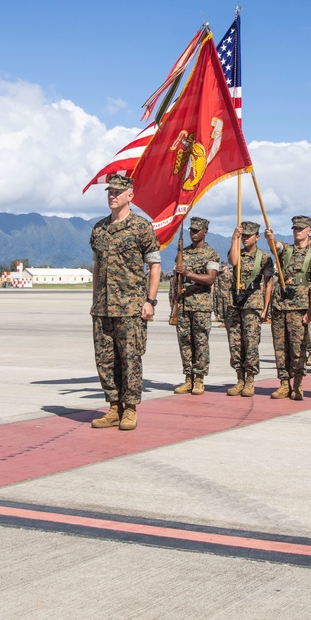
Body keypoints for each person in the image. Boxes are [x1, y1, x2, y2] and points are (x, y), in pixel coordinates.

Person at [89, 174, 161, 431]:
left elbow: (154, 265)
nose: (112, 195)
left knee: (130, 359)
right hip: (103, 307)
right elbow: (97, 266)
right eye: (110, 191)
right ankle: (113, 406)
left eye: (118, 192)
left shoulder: (141, 227)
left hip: (130, 306)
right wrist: (95, 298)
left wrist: (150, 300)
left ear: (130, 195)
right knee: (105, 359)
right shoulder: (99, 228)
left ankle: (129, 409)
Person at [264, 215, 311, 400]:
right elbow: (276, 246)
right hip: (280, 306)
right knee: (280, 348)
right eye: (295, 228)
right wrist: (270, 238)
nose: (297, 231)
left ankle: (298, 384)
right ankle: (284, 383)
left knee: (298, 348)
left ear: (309, 231)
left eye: (301, 228)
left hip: (299, 308)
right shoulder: (286, 251)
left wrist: (310, 309)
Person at [172, 217, 220, 395]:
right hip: (184, 304)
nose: (193, 233)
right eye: (191, 230)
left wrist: (188, 273)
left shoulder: (211, 254)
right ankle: (188, 378)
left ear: (205, 232)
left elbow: (210, 279)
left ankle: (199, 379)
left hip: (200, 305)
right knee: (185, 342)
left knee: (200, 343)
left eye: (197, 231)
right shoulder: (183, 253)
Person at [225, 220, 273, 397]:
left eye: (248, 236)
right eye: (243, 235)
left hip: (253, 303)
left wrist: (266, 308)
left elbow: (268, 285)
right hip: (235, 302)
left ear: (257, 237)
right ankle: (239, 378)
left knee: (251, 343)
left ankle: (250, 379)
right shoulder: (237, 250)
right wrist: (234, 239)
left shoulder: (265, 258)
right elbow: (233, 261)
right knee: (235, 343)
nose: (245, 238)